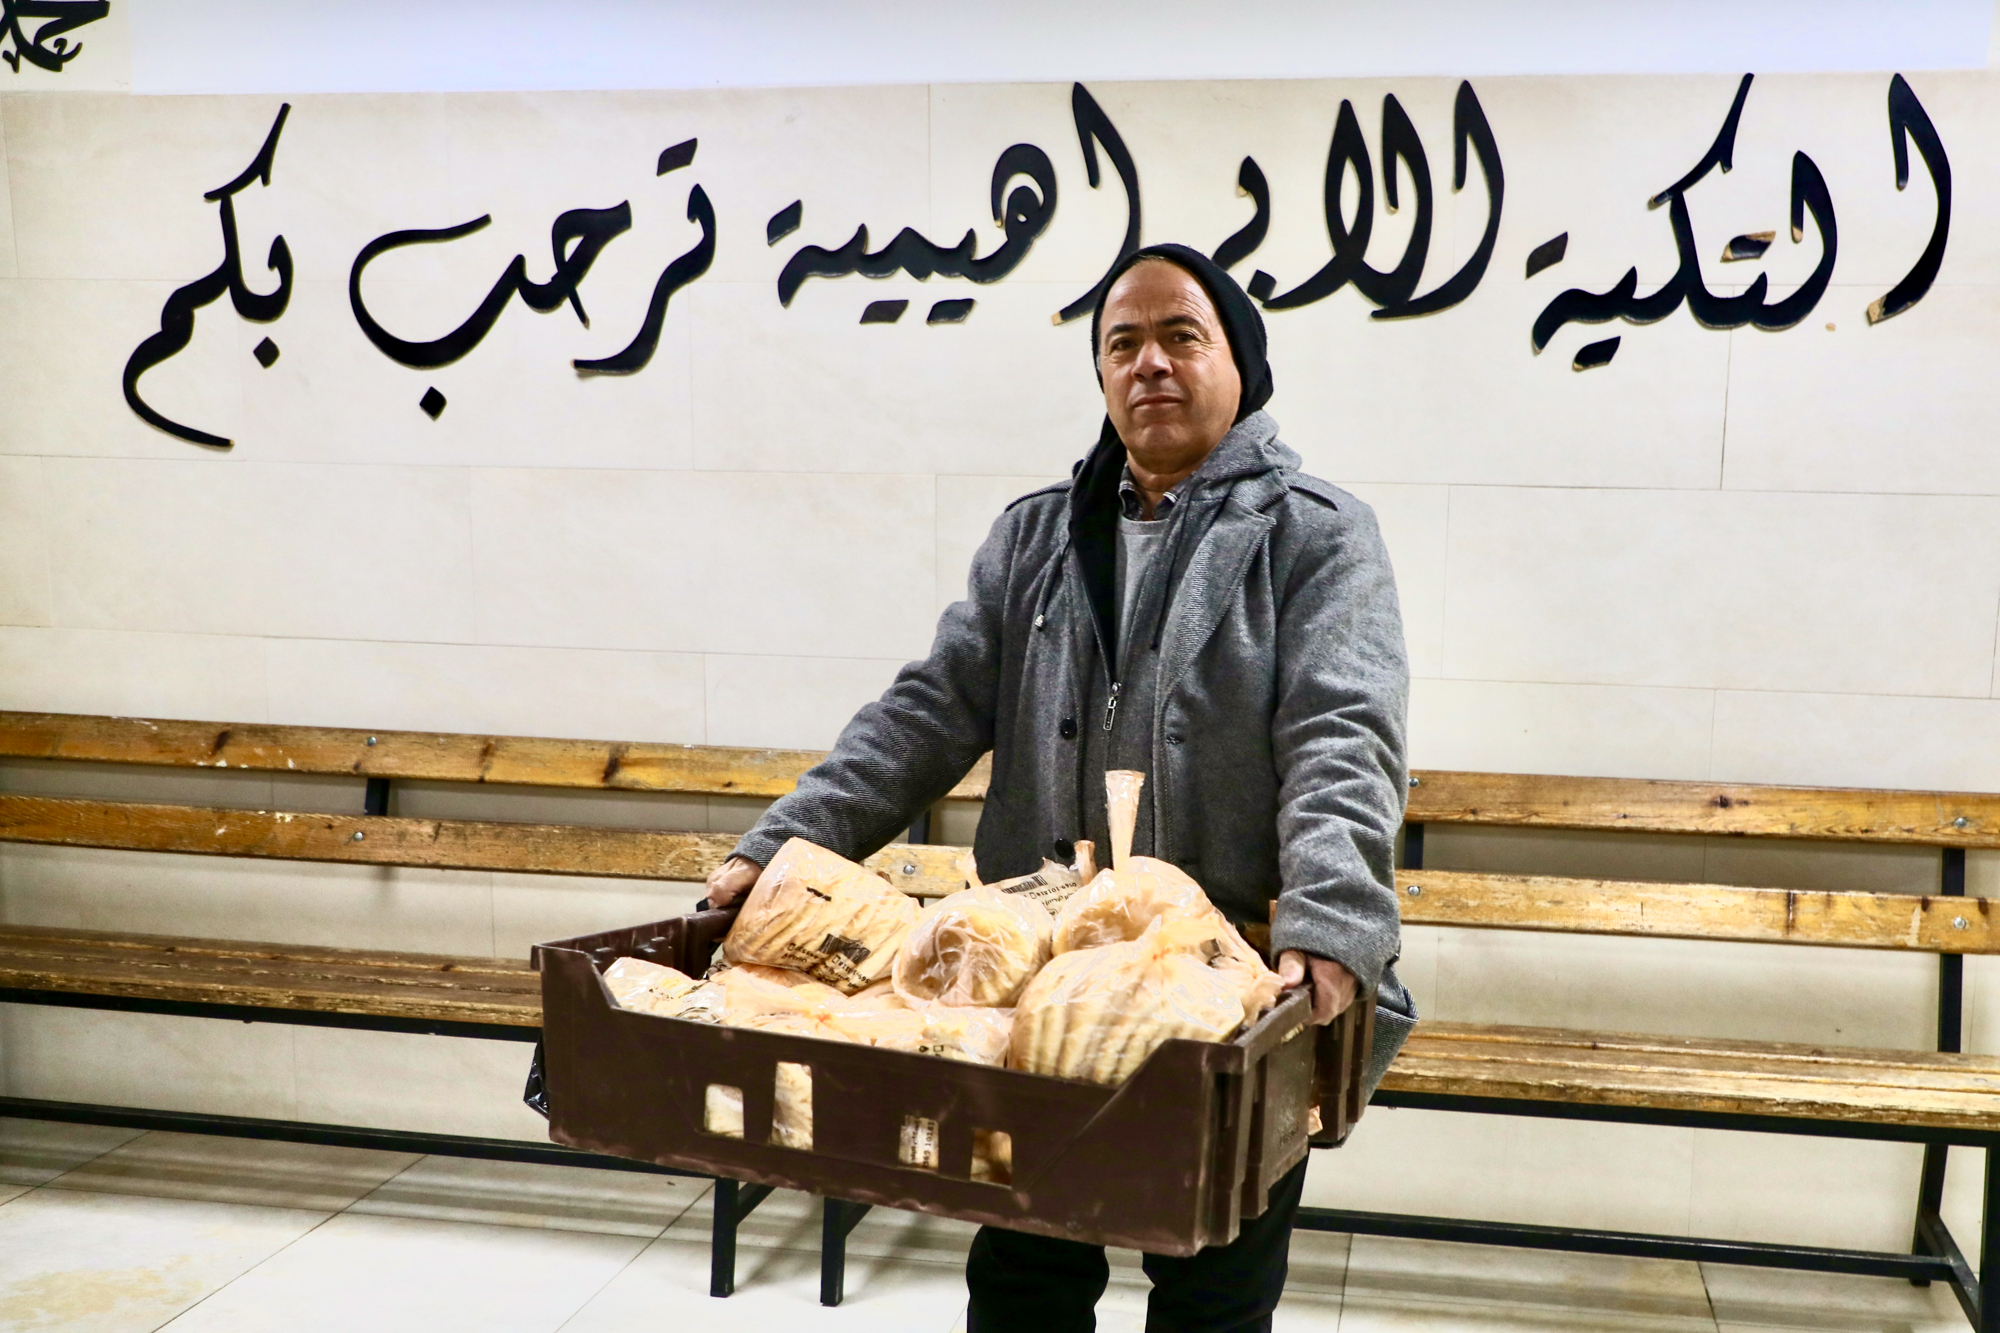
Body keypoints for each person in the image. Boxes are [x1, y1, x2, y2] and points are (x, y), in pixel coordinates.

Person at [705, 243, 1415, 1332]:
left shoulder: (1313, 535)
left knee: (1212, 1280)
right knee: (1025, 1271)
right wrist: (784, 846)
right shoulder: (1036, 534)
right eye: (1120, 344)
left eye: (1182, 336)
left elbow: (1341, 737)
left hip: (1224, 981)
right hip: (1039, 980)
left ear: (1240, 360)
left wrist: (1327, 923)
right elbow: (926, 710)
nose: (1149, 365)